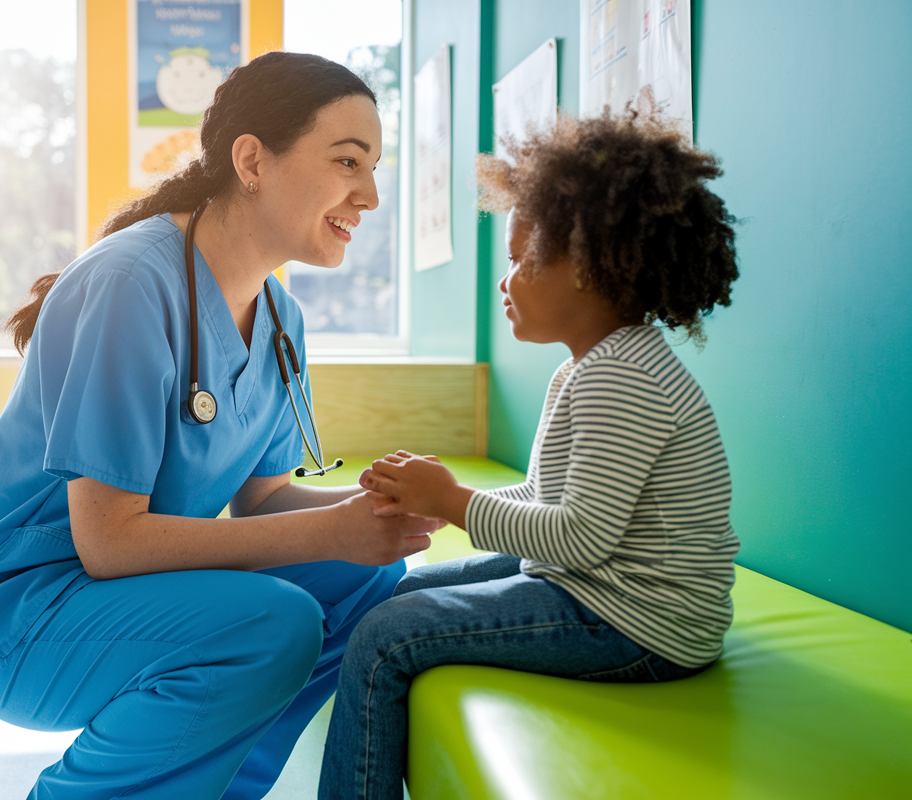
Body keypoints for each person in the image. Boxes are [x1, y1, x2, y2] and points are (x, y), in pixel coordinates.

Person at [0, 51, 439, 800]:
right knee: (274, 625)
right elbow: (107, 543)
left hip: (139, 591)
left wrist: (368, 510)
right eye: (346, 162)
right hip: (24, 617)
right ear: (252, 161)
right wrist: (331, 531)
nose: (368, 195)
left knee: (363, 577)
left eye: (373, 168)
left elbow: (262, 501)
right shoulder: (128, 285)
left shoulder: (280, 319)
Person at [318, 107, 743, 800]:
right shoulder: (591, 366)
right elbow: (554, 502)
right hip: (600, 587)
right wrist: (443, 493)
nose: (505, 278)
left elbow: (579, 538)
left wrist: (450, 502)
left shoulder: (621, 378)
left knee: (385, 636)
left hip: (639, 623)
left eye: (521, 259)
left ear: (591, 268)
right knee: (406, 591)